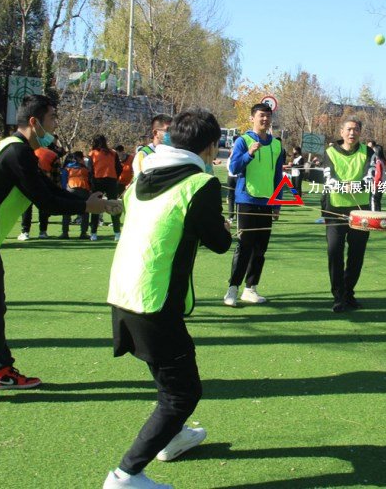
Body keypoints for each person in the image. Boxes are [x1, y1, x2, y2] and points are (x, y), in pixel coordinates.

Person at [0, 95, 120, 404]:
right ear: (34, 122)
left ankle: (0, 370)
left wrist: (91, 201)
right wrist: (88, 207)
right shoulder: (16, 153)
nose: (56, 125)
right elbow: (46, 202)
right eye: (52, 118)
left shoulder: (19, 150)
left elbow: (49, 189)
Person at [104, 108, 231, 489]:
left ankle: (172, 437)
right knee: (182, 394)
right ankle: (125, 476)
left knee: (168, 383)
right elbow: (220, 242)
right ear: (211, 147)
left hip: (124, 294)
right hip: (154, 303)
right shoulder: (200, 183)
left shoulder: (143, 174)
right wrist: (221, 226)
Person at [223, 103, 284, 307]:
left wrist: (277, 203)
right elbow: (233, 168)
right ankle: (232, 288)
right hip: (246, 200)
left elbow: (278, 176)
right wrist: (248, 154)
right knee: (244, 246)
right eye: (261, 116)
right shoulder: (243, 141)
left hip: (267, 203)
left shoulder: (277, 145)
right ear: (252, 118)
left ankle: (250, 288)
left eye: (268, 116)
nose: (265, 119)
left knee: (260, 249)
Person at [322, 116, 373, 313]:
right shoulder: (330, 152)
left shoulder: (368, 152)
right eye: (349, 129)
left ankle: (348, 293)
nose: (352, 133)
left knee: (357, 254)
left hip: (361, 211)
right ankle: (338, 296)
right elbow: (329, 178)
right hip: (334, 210)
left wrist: (356, 185)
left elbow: (371, 177)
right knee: (334, 252)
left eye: (356, 129)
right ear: (341, 132)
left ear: (360, 132)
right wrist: (345, 186)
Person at [18, 143, 60, 240]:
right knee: (43, 207)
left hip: (28, 182)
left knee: (27, 208)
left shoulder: (29, 151)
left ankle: (25, 232)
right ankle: (43, 231)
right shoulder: (53, 155)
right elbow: (56, 174)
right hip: (44, 183)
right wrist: (56, 188)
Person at [90, 135, 123, 241]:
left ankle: (93, 233)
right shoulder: (113, 153)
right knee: (113, 206)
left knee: (95, 207)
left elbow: (90, 170)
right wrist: (114, 177)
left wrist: (91, 183)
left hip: (97, 181)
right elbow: (119, 168)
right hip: (111, 181)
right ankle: (117, 233)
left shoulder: (92, 153)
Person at [61, 151, 92, 239]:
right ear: (81, 158)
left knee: (66, 211)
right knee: (85, 211)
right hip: (83, 190)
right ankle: (83, 233)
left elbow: (64, 181)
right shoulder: (85, 169)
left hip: (70, 189)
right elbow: (90, 180)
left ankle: (65, 233)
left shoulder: (67, 168)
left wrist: (64, 191)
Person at [370, 144, 386, 211]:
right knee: (378, 201)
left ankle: (375, 214)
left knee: (374, 200)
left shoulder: (378, 162)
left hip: (378, 183)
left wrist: (375, 184)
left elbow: (378, 174)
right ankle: (379, 213)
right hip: (383, 183)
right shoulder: (382, 161)